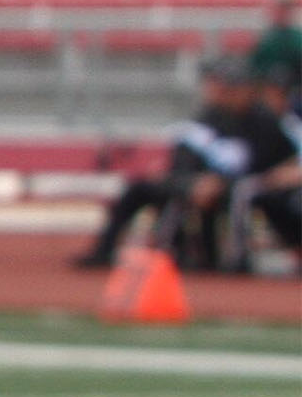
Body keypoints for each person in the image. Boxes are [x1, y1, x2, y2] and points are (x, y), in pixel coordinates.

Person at [78, 60, 298, 268]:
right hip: (198, 181)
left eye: (227, 87)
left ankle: (231, 259)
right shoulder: (211, 117)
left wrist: (218, 181)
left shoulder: (265, 122)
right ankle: (107, 250)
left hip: (243, 185)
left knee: (235, 192)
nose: (219, 91)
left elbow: (264, 164)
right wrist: (189, 180)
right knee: (140, 188)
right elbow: (191, 155)